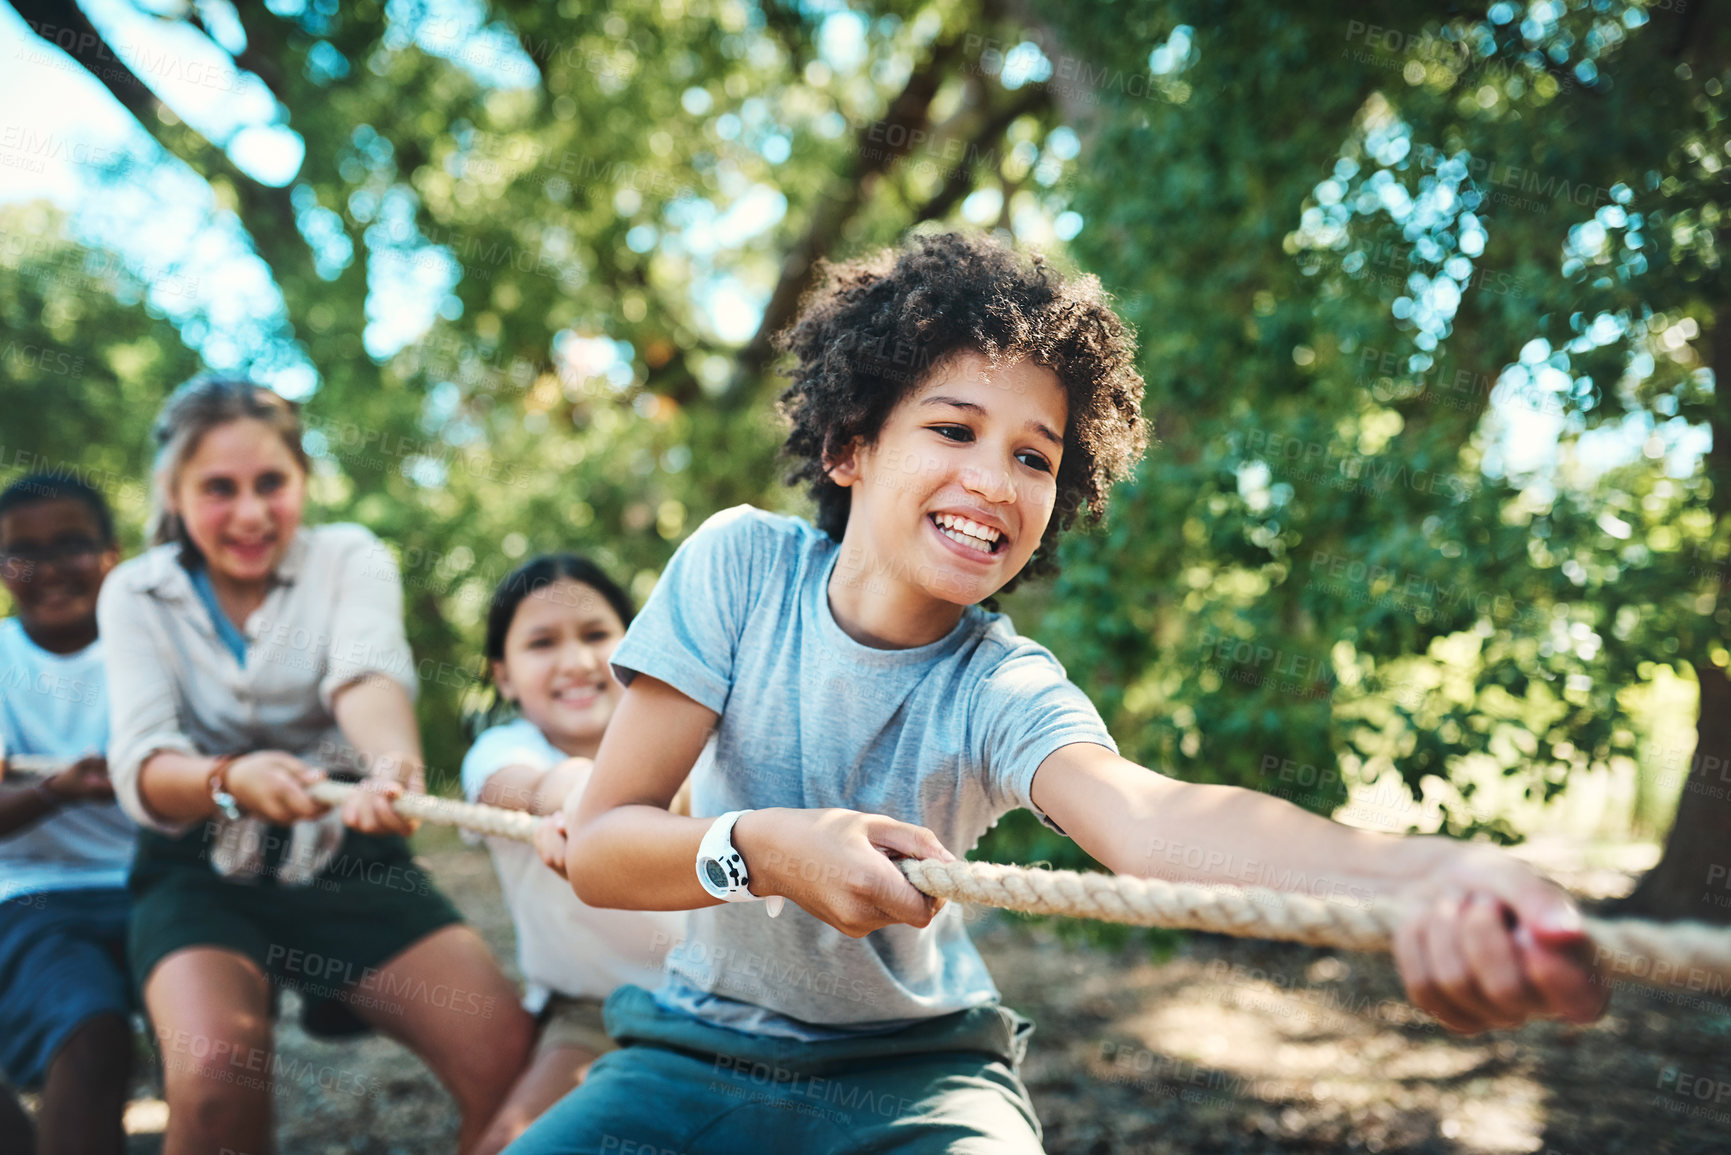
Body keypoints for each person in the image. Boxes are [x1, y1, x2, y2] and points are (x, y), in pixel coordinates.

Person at [512, 232, 1609, 1154]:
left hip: (917, 1079)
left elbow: (1153, 820)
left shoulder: (999, 685)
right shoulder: (740, 569)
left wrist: (1426, 875)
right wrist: (773, 848)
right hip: (695, 1048)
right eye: (952, 430)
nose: (994, 482)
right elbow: (606, 849)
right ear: (851, 444)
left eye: (1036, 458)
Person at [98, 377, 533, 1155]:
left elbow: (364, 675)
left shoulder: (348, 556)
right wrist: (228, 779)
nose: (252, 512)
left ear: (303, 478)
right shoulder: (134, 592)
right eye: (219, 489)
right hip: (196, 869)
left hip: (347, 855)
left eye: (272, 482)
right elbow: (143, 760)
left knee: (512, 1067)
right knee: (214, 1081)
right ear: (174, 492)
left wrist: (391, 765)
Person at [460, 555, 686, 1154]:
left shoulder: (690, 739)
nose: (577, 662)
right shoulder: (502, 749)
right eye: (541, 642)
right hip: (594, 1015)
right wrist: (583, 798)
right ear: (503, 676)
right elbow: (518, 787)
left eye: (595, 635)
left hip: (727, 1010)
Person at [0, 474, 135, 1155]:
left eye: (72, 544)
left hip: (160, 882)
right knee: (91, 1034)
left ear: (112, 553)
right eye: (23, 551)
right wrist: (59, 789)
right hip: (29, 893)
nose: (49, 568)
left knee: (229, 1025)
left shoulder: (152, 650)